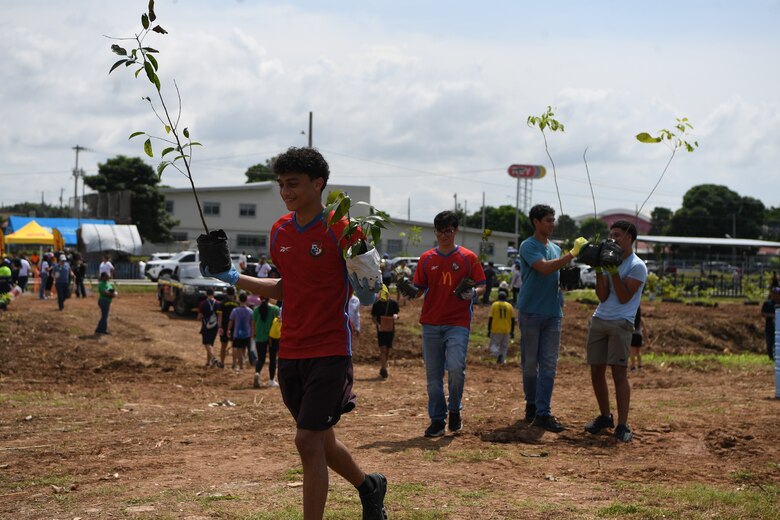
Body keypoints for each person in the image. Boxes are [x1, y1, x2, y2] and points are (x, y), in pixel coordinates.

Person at [201, 146, 387, 519]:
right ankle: (369, 486)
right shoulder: (280, 230)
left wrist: (368, 281)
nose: (286, 192)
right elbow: (286, 288)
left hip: (330, 350)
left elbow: (367, 292)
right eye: (282, 184)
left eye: (294, 184)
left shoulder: (343, 228)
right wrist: (234, 277)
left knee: (306, 439)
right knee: (321, 440)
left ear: (318, 184)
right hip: (291, 350)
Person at [396, 210, 486, 438]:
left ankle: (454, 409)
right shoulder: (426, 259)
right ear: (435, 232)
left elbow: (482, 284)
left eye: (448, 231)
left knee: (456, 368)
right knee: (433, 377)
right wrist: (409, 290)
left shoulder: (468, 257)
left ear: (456, 231)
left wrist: (474, 293)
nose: (444, 235)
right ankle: (437, 419)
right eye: (439, 231)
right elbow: (419, 290)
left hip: (458, 322)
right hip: (431, 323)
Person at [517, 204, 588, 432]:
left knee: (549, 366)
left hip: (553, 312)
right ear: (536, 222)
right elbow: (544, 268)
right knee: (530, 365)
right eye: (548, 220)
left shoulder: (556, 248)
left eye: (553, 220)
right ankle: (531, 403)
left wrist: (566, 282)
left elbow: (554, 275)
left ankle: (543, 412)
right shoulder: (528, 245)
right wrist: (572, 254)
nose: (552, 224)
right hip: (530, 311)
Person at [584, 220, 647, 443]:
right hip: (599, 319)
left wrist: (613, 273)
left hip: (621, 323)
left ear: (629, 238)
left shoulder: (637, 266)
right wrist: (599, 269)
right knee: (596, 371)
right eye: (610, 235)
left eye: (617, 235)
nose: (612, 239)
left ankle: (622, 424)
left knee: (619, 373)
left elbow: (624, 297)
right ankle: (605, 416)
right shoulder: (609, 259)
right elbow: (602, 296)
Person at [371, 286, 400, 379]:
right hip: (381, 330)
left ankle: (384, 366)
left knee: (387, 349)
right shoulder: (377, 305)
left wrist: (395, 316)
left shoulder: (393, 304)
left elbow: (397, 314)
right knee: (383, 348)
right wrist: (378, 325)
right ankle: (383, 368)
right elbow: (373, 317)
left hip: (390, 329)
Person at [251, 298, 281, 387]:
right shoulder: (275, 309)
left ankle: (257, 373)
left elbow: (253, 322)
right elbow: (278, 321)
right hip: (272, 337)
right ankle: (271, 380)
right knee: (272, 359)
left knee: (261, 359)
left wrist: (253, 334)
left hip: (260, 336)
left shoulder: (256, 309)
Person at [228, 292, 253, 372]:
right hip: (247, 333)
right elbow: (252, 323)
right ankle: (244, 360)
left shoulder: (235, 310)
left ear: (239, 300)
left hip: (237, 333)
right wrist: (253, 333)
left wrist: (228, 329)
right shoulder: (250, 311)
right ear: (246, 300)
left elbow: (231, 321)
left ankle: (241, 365)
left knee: (238, 349)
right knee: (244, 348)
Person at [488, 291, 515, 365]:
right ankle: (502, 361)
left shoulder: (495, 305)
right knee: (504, 346)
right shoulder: (509, 306)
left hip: (496, 328)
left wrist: (489, 329)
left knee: (493, 345)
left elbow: (491, 318)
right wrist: (512, 331)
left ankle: (497, 354)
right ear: (506, 298)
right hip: (507, 329)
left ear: (498, 297)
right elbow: (513, 320)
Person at [197, 289, 221, 367]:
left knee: (206, 343)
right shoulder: (218, 303)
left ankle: (213, 358)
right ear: (214, 294)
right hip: (215, 326)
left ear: (206, 294)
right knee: (210, 344)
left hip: (206, 325)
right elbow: (220, 316)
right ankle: (208, 363)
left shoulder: (202, 303)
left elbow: (199, 317)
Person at [217, 287, 239, 368]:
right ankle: (234, 364)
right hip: (235, 327)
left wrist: (220, 327)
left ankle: (222, 363)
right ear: (234, 293)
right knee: (234, 346)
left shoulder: (222, 303)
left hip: (224, 326)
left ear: (226, 293)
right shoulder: (237, 303)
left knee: (223, 345)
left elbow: (220, 316)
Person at [761, 287, 780, 360]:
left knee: (777, 342)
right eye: (774, 293)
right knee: (769, 342)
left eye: (778, 294)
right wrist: (772, 315)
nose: (776, 295)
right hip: (769, 327)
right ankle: (771, 357)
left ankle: (777, 356)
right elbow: (763, 313)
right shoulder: (767, 303)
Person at [629, 306, 649, 371]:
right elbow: (644, 330)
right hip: (639, 336)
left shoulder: (631, 318)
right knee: (638, 351)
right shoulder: (641, 319)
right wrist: (647, 338)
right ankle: (640, 366)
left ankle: (633, 367)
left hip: (632, 335)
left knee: (632, 352)